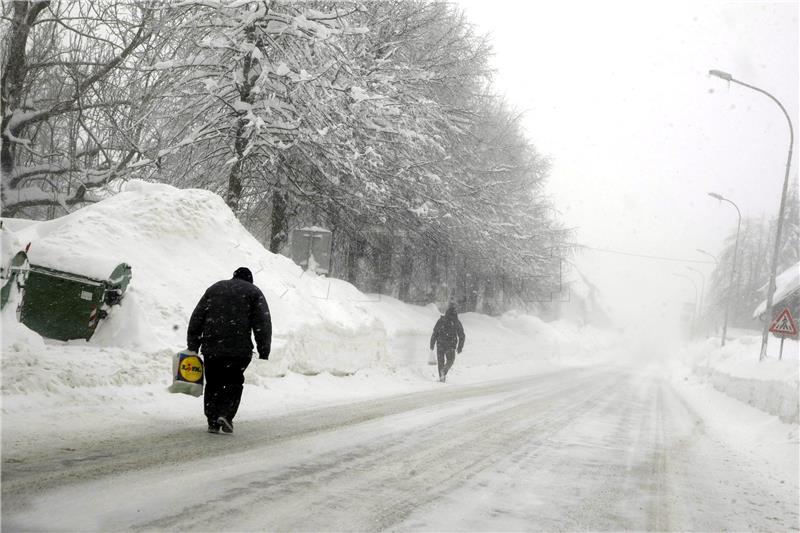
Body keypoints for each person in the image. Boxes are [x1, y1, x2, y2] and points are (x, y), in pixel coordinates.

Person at [187, 267, 271, 434]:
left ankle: (212, 419)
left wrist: (193, 344)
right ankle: (225, 414)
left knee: (213, 382)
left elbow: (197, 317)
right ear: (249, 280)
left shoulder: (215, 288)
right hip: (238, 350)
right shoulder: (253, 292)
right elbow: (263, 323)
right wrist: (264, 349)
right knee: (234, 381)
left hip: (212, 347)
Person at [429, 303, 465, 383]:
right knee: (451, 360)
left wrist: (432, 344)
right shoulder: (456, 322)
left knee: (440, 362)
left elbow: (435, 332)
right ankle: (444, 371)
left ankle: (442, 378)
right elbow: (462, 335)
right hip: (451, 345)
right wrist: (460, 347)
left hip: (440, 344)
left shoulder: (441, 320)